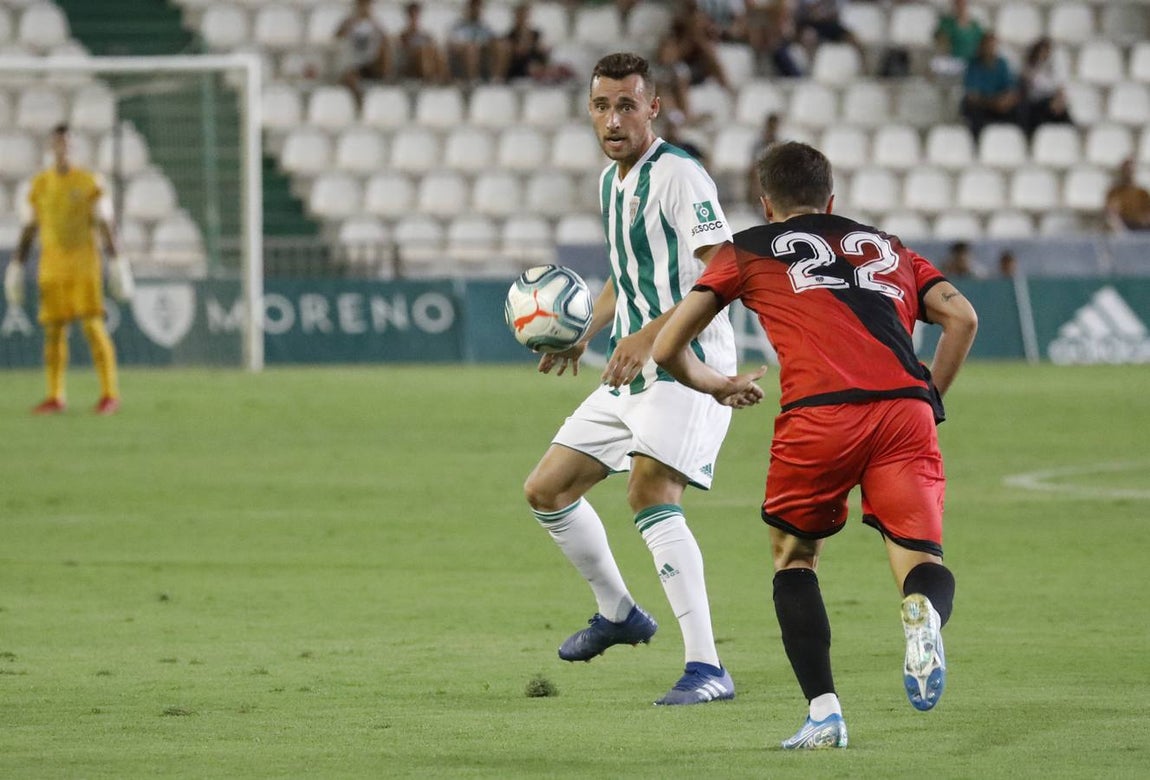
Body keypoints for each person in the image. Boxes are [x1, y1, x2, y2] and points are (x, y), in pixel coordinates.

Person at [652, 141, 978, 748]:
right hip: (904, 412)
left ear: (765, 202)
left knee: (795, 558)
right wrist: (929, 396)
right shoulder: (888, 247)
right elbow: (963, 319)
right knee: (919, 561)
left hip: (819, 415)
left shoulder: (746, 248)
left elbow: (669, 343)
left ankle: (824, 713)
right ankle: (925, 616)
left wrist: (717, 385)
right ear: (831, 199)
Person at [522, 52, 738, 706]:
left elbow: (721, 272)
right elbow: (630, 271)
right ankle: (618, 611)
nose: (613, 119)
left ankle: (708, 668)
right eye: (601, 106)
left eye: (626, 105)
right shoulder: (611, 182)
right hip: (631, 368)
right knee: (547, 490)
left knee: (649, 493)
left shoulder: (679, 176)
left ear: (653, 107)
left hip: (689, 364)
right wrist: (588, 328)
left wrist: (650, 337)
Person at [3, 124, 131, 415]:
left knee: (91, 325)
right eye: (58, 144)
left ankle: (110, 393)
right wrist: (17, 265)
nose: (63, 149)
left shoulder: (89, 182)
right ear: (52, 147)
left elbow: (105, 223)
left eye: (67, 145)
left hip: (84, 263)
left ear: (73, 148)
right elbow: (29, 228)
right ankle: (55, 395)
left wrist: (117, 261)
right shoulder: (40, 185)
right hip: (52, 265)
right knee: (53, 330)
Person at [960, 32, 1021, 139]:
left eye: (993, 46)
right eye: (988, 46)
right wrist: (993, 103)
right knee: (971, 109)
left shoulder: (1002, 63)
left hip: (1001, 104)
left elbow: (1011, 88)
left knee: (1021, 107)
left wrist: (1006, 100)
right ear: (982, 47)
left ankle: (1018, 139)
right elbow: (972, 96)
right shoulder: (973, 65)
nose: (990, 49)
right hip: (984, 104)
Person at [335, 0, 393, 103]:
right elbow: (338, 35)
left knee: (385, 52)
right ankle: (360, 101)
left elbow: (386, 40)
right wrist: (351, 23)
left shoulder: (374, 23)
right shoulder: (350, 22)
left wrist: (374, 23)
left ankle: (386, 82)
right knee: (350, 77)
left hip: (370, 63)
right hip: (356, 64)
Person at [1020, 37, 1073, 137]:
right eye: (1042, 51)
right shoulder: (1028, 68)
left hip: (1050, 100)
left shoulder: (1051, 67)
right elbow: (1038, 85)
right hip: (1035, 102)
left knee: (1064, 112)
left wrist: (1059, 99)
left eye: (1047, 51)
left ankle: (1070, 136)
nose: (1045, 54)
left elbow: (1058, 86)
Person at [447, 0, 508, 83]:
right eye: (473, 7)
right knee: (471, 49)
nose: (476, 10)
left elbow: (493, 40)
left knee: (500, 45)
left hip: (482, 58)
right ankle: (472, 80)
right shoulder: (459, 27)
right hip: (464, 58)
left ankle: (496, 78)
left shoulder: (485, 28)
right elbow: (453, 44)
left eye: (478, 7)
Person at [396, 2, 449, 84]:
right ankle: (429, 78)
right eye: (412, 15)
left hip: (426, 62)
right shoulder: (403, 35)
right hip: (411, 66)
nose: (414, 18)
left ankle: (443, 77)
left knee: (434, 50)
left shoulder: (426, 35)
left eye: (416, 14)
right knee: (423, 51)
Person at [1104, 158, 1150, 232]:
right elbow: (1110, 212)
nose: (1128, 173)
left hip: (1140, 226)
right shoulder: (1114, 192)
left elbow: (1148, 213)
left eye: (1130, 170)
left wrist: (1144, 219)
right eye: (1126, 170)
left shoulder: (1142, 193)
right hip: (1123, 226)